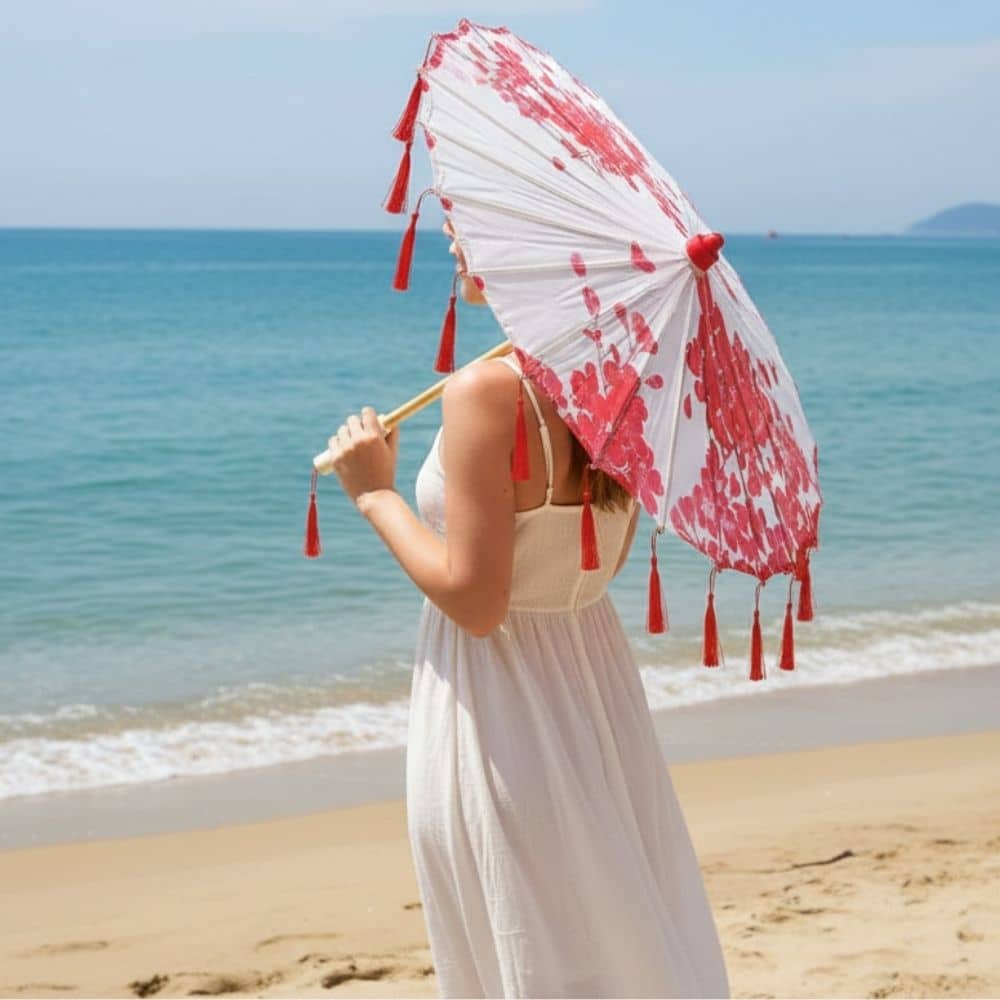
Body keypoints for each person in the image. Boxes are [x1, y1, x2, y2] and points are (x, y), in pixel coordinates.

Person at [323, 219, 731, 999]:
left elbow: (477, 603)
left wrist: (374, 493)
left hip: (499, 707)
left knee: (525, 952)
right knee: (611, 939)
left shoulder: (485, 389)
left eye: (468, 225)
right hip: (595, 697)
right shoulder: (622, 383)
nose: (451, 242)